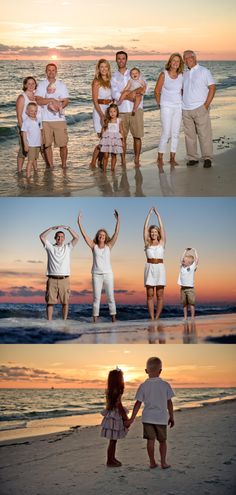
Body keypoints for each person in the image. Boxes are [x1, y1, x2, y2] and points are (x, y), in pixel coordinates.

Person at [126, 357, 174, 469]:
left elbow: (138, 403)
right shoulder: (165, 385)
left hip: (147, 418)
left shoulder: (143, 386)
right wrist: (171, 416)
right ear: (160, 371)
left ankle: (152, 462)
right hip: (161, 418)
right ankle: (163, 463)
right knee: (162, 441)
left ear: (146, 371)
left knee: (150, 441)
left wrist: (132, 418)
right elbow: (169, 402)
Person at [77, 210, 120, 322]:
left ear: (106, 237)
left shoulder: (109, 246)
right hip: (96, 274)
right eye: (100, 235)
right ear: (98, 236)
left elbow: (116, 233)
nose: (102, 236)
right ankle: (95, 321)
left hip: (108, 274)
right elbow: (84, 235)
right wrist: (79, 223)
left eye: (103, 235)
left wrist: (118, 221)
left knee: (111, 298)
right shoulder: (93, 246)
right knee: (96, 298)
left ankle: (114, 320)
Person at [111, 51, 147, 166]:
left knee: (137, 136)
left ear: (126, 59)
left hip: (136, 109)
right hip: (121, 110)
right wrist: (130, 96)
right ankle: (123, 161)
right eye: (119, 58)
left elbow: (144, 88)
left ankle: (137, 159)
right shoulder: (114, 77)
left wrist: (131, 94)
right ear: (116, 60)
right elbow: (115, 94)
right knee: (122, 137)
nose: (121, 60)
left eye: (123, 58)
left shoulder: (135, 73)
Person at [182, 50, 216, 168]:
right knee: (189, 135)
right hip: (186, 109)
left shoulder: (204, 71)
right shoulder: (185, 74)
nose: (187, 60)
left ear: (194, 57)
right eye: (184, 59)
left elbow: (212, 88)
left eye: (189, 58)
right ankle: (192, 158)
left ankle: (207, 158)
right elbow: (183, 90)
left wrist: (206, 105)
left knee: (204, 134)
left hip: (200, 108)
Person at [39, 225, 79, 320]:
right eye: (58, 236)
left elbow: (76, 237)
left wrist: (68, 228)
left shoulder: (68, 247)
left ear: (64, 239)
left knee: (65, 303)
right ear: (55, 238)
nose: (59, 238)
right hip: (52, 279)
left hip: (64, 279)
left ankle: (64, 322)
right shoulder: (50, 247)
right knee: (50, 303)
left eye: (62, 237)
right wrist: (51, 228)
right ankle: (49, 323)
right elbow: (42, 236)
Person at [35, 63, 69, 168]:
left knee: (63, 144)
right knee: (47, 144)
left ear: (56, 72)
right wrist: (51, 100)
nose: (51, 72)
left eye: (53, 70)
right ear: (46, 72)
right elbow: (39, 100)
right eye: (49, 70)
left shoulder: (61, 85)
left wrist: (59, 106)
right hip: (45, 120)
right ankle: (50, 166)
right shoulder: (41, 85)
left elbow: (66, 101)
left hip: (59, 119)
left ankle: (64, 165)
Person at [154, 53, 184, 169]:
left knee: (176, 133)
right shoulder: (163, 75)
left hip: (178, 107)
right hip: (166, 106)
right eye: (173, 60)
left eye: (178, 61)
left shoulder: (182, 75)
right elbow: (156, 92)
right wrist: (160, 105)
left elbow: (182, 91)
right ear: (170, 62)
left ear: (180, 63)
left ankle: (172, 158)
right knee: (166, 132)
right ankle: (160, 158)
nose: (175, 63)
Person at [101, 368, 129, 467]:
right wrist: (125, 417)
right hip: (115, 416)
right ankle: (110, 460)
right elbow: (118, 404)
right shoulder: (117, 390)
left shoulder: (110, 389)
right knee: (113, 440)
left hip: (111, 414)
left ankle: (112, 458)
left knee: (113, 440)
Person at [143, 207, 166, 320]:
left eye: (155, 232)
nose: (153, 233)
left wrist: (158, 215)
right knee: (150, 295)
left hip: (160, 268)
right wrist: (149, 214)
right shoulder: (147, 243)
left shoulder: (162, 242)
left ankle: (157, 317)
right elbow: (145, 228)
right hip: (149, 268)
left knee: (160, 295)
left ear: (158, 233)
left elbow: (162, 227)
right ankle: (152, 318)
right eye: (152, 232)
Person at [91, 59, 113, 167]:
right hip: (99, 110)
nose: (104, 69)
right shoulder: (96, 81)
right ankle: (93, 162)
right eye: (101, 67)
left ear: (108, 68)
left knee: (107, 139)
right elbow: (95, 100)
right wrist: (101, 115)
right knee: (103, 139)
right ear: (98, 69)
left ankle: (100, 162)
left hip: (110, 111)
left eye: (106, 67)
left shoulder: (111, 81)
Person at [16, 76, 39, 172]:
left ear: (35, 85)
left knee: (33, 148)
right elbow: (19, 115)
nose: (31, 85)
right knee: (23, 150)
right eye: (28, 83)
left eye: (33, 83)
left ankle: (35, 171)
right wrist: (22, 130)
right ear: (25, 85)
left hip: (34, 128)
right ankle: (20, 171)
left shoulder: (35, 97)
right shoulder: (22, 97)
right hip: (25, 128)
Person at [21, 102, 43, 178]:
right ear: (27, 111)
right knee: (30, 161)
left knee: (35, 159)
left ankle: (36, 171)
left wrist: (41, 142)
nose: (33, 113)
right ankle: (28, 176)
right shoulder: (26, 122)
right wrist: (25, 144)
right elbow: (24, 134)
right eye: (31, 111)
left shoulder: (38, 120)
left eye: (35, 111)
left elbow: (40, 131)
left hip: (37, 144)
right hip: (31, 145)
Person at [100, 103, 124, 171]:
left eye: (114, 111)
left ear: (117, 112)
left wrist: (123, 141)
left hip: (115, 141)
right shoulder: (107, 120)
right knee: (106, 156)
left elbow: (121, 131)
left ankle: (112, 169)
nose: (112, 113)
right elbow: (103, 130)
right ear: (108, 112)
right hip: (107, 141)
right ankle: (104, 170)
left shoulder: (119, 121)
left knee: (114, 155)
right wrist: (101, 141)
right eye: (110, 111)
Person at [178, 247, 199, 320]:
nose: (183, 261)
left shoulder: (192, 267)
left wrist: (195, 251)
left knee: (191, 303)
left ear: (189, 263)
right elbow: (181, 258)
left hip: (190, 289)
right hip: (183, 288)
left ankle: (192, 317)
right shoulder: (181, 267)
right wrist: (185, 251)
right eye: (183, 261)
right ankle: (185, 317)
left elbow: (197, 260)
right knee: (184, 304)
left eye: (184, 261)